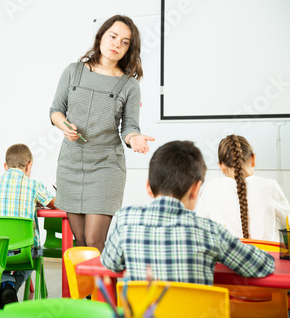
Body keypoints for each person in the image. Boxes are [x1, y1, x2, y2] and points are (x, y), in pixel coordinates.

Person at [101, 140, 275, 284]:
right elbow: (262, 266)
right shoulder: (211, 231)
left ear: (148, 187)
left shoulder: (125, 221)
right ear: (196, 188)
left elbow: (110, 263)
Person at [49, 15, 155, 252]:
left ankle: (103, 290)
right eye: (113, 36)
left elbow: (129, 127)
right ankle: (88, 291)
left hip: (106, 166)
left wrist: (134, 138)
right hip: (71, 165)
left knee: (95, 240)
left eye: (125, 42)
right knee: (81, 243)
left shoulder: (129, 85)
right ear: (101, 37)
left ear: (129, 49)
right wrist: (64, 125)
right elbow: (56, 110)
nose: (117, 44)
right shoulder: (73, 71)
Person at [0, 144, 55, 308]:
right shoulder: (34, 185)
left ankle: (4, 285)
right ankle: (10, 287)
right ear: (29, 165)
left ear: (5, 166)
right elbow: (56, 205)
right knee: (31, 261)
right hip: (25, 253)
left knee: (5, 264)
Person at [195, 135, 290, 241]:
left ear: (221, 166)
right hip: (267, 255)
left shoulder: (211, 187)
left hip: (225, 256)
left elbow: (199, 229)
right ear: (253, 159)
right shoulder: (270, 186)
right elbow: (287, 225)